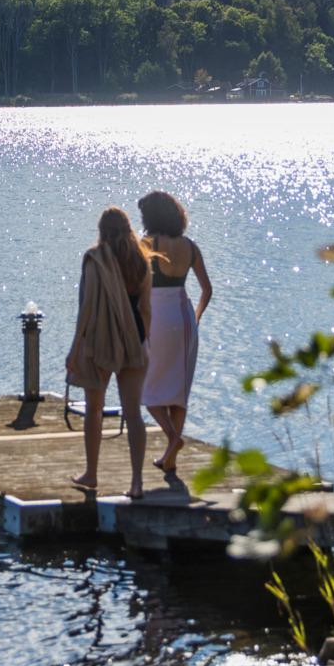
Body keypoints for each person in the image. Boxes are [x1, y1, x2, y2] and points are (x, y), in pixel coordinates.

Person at [65, 207, 151, 498]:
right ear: (128, 229)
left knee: (94, 409)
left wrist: (75, 347)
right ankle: (137, 482)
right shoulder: (141, 260)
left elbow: (87, 308)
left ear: (101, 230)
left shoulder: (95, 259)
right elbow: (145, 308)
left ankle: (91, 474)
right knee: (133, 412)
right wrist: (145, 341)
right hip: (134, 339)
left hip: (100, 340)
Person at [136, 188, 211, 477]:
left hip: (156, 316)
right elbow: (207, 289)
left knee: (148, 386)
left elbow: (132, 283)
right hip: (183, 317)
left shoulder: (147, 243)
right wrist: (196, 319)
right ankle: (170, 457)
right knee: (178, 391)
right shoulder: (190, 246)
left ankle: (172, 439)